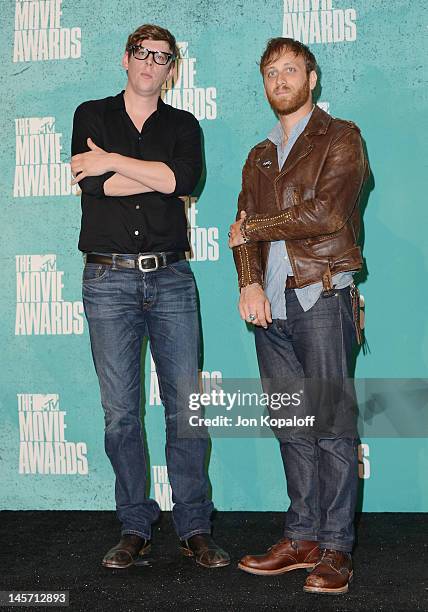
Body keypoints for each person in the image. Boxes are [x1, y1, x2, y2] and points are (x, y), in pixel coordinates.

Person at [71, 23, 229, 570]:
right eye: (142, 53)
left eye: (161, 57)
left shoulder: (184, 124)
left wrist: (111, 160)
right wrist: (149, 175)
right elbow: (95, 187)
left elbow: (183, 181)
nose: (150, 63)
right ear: (126, 59)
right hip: (108, 280)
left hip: (171, 280)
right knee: (120, 414)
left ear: (171, 69)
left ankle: (194, 526)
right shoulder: (91, 115)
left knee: (186, 409)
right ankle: (135, 524)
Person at [229, 37, 368, 594]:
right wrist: (250, 282)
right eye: (271, 72)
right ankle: (302, 536)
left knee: (332, 428)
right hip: (274, 306)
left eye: (290, 70)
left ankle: (336, 548)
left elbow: (325, 213)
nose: (280, 80)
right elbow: (240, 222)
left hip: (323, 294)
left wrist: (255, 230)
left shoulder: (342, 137)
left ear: (312, 79)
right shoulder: (259, 153)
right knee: (291, 425)